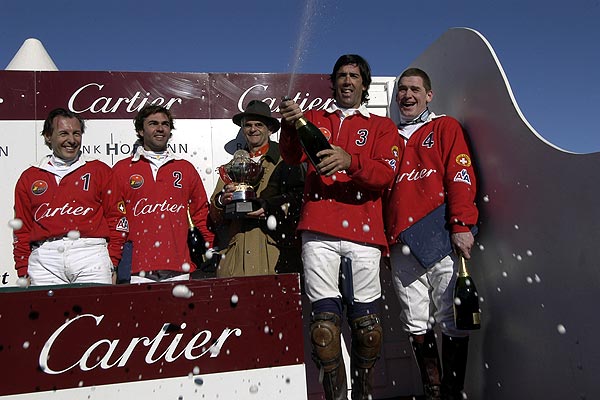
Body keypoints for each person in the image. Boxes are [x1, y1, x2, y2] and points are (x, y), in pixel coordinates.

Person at [279, 54, 401, 400]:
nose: (347, 81)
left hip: (363, 231)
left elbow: (385, 174)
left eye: (354, 76)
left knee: (368, 331)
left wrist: (351, 161)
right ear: (333, 83)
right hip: (319, 228)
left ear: (365, 84)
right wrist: (289, 124)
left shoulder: (382, 127)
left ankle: (362, 394)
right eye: (341, 76)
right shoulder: (314, 119)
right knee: (324, 330)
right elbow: (290, 157)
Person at [384, 68, 479, 400]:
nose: (407, 95)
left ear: (429, 95)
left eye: (414, 89)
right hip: (400, 243)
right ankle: (433, 391)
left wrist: (462, 224)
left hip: (440, 236)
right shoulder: (387, 137)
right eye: (402, 90)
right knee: (415, 320)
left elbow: (460, 174)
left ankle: (454, 392)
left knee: (451, 318)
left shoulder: (445, 127)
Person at [12, 108, 127, 286]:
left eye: (76, 134)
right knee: (49, 314)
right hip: (44, 258)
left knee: (96, 312)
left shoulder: (100, 170)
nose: (71, 140)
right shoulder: (30, 176)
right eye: (64, 133)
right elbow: (22, 228)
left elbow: (117, 219)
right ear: (48, 137)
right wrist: (22, 268)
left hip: (90, 254)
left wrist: (112, 261)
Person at [112, 105, 214, 283]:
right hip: (137, 269)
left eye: (165, 124)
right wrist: (113, 261)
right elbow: (114, 219)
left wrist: (210, 248)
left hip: (179, 266)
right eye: (153, 123)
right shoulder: (121, 169)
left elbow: (201, 213)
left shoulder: (185, 168)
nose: (160, 128)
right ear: (140, 131)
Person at [209, 100, 305, 277]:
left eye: (259, 125)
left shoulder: (286, 162)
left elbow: (299, 203)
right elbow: (214, 216)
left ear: (270, 129)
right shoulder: (230, 167)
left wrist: (271, 208)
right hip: (235, 257)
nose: (253, 129)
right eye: (248, 125)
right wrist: (223, 200)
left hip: (274, 254)